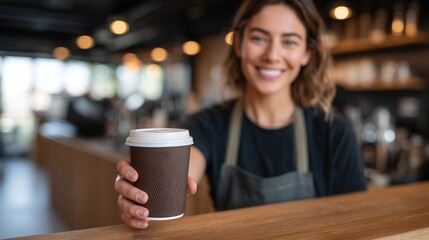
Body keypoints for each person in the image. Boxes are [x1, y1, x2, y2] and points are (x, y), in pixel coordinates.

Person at [114, 0, 367, 229]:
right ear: (238, 44)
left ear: (306, 54)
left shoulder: (333, 132)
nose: (272, 55)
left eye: (289, 42)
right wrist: (144, 188)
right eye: (259, 38)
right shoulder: (209, 125)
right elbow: (183, 170)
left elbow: (357, 221)